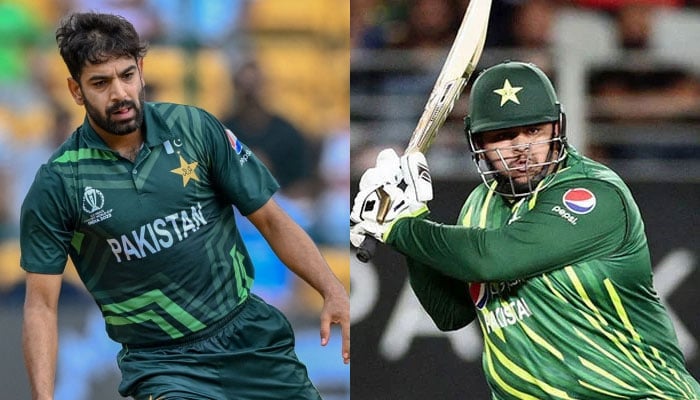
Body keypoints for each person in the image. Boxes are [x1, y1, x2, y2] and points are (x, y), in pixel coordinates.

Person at [20, 12, 349, 400]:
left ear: (141, 70)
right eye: (100, 83)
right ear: (76, 91)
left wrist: (331, 288)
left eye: (127, 75)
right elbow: (41, 305)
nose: (120, 94)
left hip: (249, 337)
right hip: (163, 364)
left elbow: (273, 220)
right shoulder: (59, 182)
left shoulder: (195, 128)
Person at [351, 60, 700, 398]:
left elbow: (495, 258)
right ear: (478, 142)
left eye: (534, 130)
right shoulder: (478, 206)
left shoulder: (594, 193)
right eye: (502, 136)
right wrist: (410, 216)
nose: (521, 148)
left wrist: (400, 228)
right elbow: (449, 313)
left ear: (557, 127)